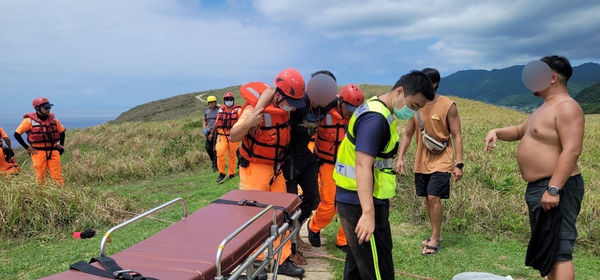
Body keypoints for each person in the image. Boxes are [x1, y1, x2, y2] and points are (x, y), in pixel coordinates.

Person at [484, 55, 584, 280]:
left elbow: (572, 150)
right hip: (541, 187)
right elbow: (520, 131)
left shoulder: (567, 107)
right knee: (549, 248)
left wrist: (554, 189)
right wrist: (497, 132)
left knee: (560, 250)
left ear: (553, 78)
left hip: (557, 187)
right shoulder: (544, 108)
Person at [333, 71, 434, 280]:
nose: (412, 112)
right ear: (400, 91)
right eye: (413, 105)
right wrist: (368, 213)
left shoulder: (377, 108)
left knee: (357, 268)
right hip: (360, 203)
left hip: (356, 198)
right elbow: (362, 164)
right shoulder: (375, 119)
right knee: (379, 270)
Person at [229, 68, 306, 278]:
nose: (292, 107)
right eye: (289, 100)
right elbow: (233, 136)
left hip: (276, 168)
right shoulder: (253, 109)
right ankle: (257, 262)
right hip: (254, 168)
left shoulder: (282, 109)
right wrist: (249, 123)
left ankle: (282, 260)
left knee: (282, 213)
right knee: (255, 216)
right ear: (279, 94)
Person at [395, 67, 464, 255]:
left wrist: (459, 163)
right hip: (421, 161)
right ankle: (437, 234)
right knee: (427, 198)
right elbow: (408, 133)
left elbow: (457, 135)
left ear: (434, 83)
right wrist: (400, 158)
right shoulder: (416, 105)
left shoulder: (449, 105)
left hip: (443, 159)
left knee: (434, 197)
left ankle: (434, 238)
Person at [307, 84, 365, 251]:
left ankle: (343, 240)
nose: (351, 112)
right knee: (329, 203)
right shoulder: (325, 113)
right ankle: (314, 227)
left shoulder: (358, 118)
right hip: (327, 164)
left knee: (350, 204)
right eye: (349, 107)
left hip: (350, 166)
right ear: (340, 102)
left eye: (355, 109)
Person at [14, 97, 66, 185]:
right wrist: (27, 148)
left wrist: (61, 145)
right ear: (37, 108)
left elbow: (62, 132)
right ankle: (41, 194)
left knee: (57, 176)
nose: (48, 109)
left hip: (53, 151)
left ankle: (60, 195)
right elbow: (17, 134)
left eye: (49, 107)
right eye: (46, 107)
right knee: (40, 177)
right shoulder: (29, 121)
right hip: (38, 152)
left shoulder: (54, 119)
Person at [210, 92, 242, 183]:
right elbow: (217, 123)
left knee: (232, 155)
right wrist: (212, 133)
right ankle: (222, 172)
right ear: (224, 101)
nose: (229, 101)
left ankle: (231, 173)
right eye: (227, 100)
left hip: (234, 136)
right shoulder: (221, 110)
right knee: (220, 152)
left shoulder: (238, 110)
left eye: (230, 99)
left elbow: (242, 122)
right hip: (222, 135)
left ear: (233, 100)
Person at [203, 95, 219, 171]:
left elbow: (218, 122)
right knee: (208, 148)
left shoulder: (219, 111)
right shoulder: (207, 111)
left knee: (215, 149)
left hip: (217, 131)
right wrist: (204, 129)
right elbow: (204, 120)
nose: (212, 104)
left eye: (213, 102)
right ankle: (214, 161)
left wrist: (212, 133)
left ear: (215, 102)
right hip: (208, 131)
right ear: (208, 103)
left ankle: (215, 166)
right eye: (210, 103)